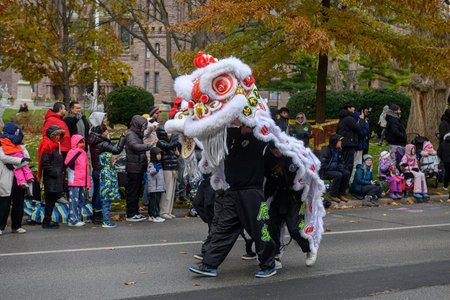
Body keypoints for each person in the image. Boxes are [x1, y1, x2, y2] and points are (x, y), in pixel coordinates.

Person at [189, 120, 277, 278]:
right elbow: (207, 133)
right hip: (232, 191)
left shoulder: (260, 137)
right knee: (223, 229)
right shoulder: (229, 135)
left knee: (259, 229)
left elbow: (273, 134)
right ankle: (209, 265)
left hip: (252, 192)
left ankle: (269, 264)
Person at [264, 143, 316, 269]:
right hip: (277, 194)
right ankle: (276, 255)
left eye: (277, 151)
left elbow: (308, 174)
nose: (276, 154)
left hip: (294, 197)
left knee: (294, 228)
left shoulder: (295, 156)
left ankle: (309, 248)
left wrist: (305, 196)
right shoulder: (268, 157)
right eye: (273, 151)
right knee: (271, 225)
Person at [88, 125, 125, 224]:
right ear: (102, 133)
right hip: (103, 170)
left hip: (96, 170)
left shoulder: (93, 140)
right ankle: (101, 216)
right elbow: (116, 150)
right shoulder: (102, 143)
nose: (107, 133)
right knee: (103, 195)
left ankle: (95, 213)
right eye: (106, 131)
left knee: (96, 193)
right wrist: (122, 139)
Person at [0, 136, 31, 235]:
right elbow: (3, 158)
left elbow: (26, 159)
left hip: (19, 180)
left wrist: (13, 164)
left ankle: (17, 226)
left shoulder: (21, 146)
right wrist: (19, 160)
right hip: (6, 179)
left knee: (19, 204)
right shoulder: (1, 146)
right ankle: (0, 226)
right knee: (4, 205)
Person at [125, 115, 154, 222]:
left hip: (138, 166)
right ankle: (131, 214)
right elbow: (135, 147)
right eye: (143, 126)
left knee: (137, 191)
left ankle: (135, 212)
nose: (144, 128)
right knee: (132, 191)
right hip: (133, 167)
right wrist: (148, 146)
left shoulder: (137, 134)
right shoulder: (131, 135)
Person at [38, 125, 66, 229]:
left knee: (52, 200)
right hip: (51, 178)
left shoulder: (55, 145)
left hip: (56, 178)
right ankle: (46, 221)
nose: (58, 137)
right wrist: (54, 173)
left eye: (59, 135)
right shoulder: (47, 146)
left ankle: (48, 220)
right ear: (52, 135)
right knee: (50, 200)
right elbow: (45, 163)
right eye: (56, 135)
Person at [65, 134, 90, 227]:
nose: (82, 144)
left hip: (81, 180)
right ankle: (72, 220)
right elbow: (68, 163)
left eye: (82, 142)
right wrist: (77, 153)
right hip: (74, 181)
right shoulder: (72, 152)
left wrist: (87, 182)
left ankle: (78, 218)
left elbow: (87, 168)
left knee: (80, 200)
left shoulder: (83, 153)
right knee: (73, 201)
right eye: (79, 142)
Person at [0, 122, 34, 191]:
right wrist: (21, 133)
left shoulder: (3, 138)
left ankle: (24, 180)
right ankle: (28, 177)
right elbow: (3, 157)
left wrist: (16, 164)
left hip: (10, 157)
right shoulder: (12, 138)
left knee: (19, 169)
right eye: (16, 131)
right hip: (15, 155)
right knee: (23, 167)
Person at [156, 125, 179, 220]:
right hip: (166, 169)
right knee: (167, 191)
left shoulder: (169, 142)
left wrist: (176, 155)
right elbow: (168, 147)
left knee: (172, 191)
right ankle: (163, 211)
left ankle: (169, 211)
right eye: (168, 133)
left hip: (173, 168)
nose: (170, 135)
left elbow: (172, 154)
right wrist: (178, 141)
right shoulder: (160, 142)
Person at [319, 134, 350, 203]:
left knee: (346, 173)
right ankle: (333, 194)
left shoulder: (339, 150)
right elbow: (322, 165)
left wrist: (341, 166)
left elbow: (342, 161)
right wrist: (334, 167)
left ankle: (341, 194)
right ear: (335, 142)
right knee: (338, 175)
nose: (341, 142)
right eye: (339, 141)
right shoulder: (326, 151)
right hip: (325, 171)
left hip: (335, 169)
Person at [336, 102, 365, 174]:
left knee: (345, 163)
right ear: (349, 108)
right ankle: (346, 182)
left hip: (344, 143)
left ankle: (345, 182)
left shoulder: (343, 118)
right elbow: (358, 128)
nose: (354, 109)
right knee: (348, 165)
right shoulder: (349, 119)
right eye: (353, 107)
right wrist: (361, 119)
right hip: (349, 144)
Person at [99, 152, 120, 228]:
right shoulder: (106, 171)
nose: (113, 162)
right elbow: (107, 184)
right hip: (107, 193)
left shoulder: (109, 170)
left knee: (107, 207)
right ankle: (106, 222)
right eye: (112, 160)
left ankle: (106, 221)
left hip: (108, 193)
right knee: (106, 207)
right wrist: (110, 192)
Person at [146, 147, 166, 223]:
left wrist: (163, 187)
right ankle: (154, 215)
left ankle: (154, 215)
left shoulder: (159, 164)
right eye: (157, 154)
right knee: (153, 202)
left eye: (160, 154)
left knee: (157, 202)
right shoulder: (151, 164)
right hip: (154, 188)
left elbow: (161, 177)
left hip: (159, 187)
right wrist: (156, 169)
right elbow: (151, 172)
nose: (159, 156)